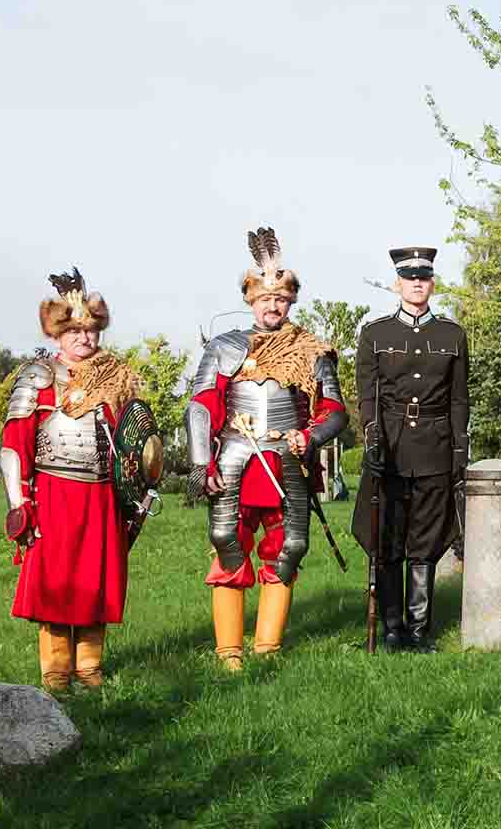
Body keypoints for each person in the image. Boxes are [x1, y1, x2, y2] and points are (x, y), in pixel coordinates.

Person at [188, 228, 347, 670]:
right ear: (251, 300)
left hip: (289, 460)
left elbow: (335, 411)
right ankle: (229, 653)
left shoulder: (313, 351)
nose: (273, 306)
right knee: (227, 542)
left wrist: (311, 435)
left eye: (281, 300)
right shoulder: (225, 347)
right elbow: (201, 407)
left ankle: (268, 648)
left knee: (289, 547)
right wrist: (202, 464)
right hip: (235, 460)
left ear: (290, 302)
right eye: (265, 299)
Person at [0, 269, 138, 692]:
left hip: (100, 496)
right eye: (75, 330)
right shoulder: (38, 378)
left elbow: (136, 440)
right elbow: (13, 445)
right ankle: (56, 670)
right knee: (57, 580)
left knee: (96, 579)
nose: (84, 338)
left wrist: (136, 488)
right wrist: (19, 502)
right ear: (59, 333)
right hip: (54, 495)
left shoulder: (117, 380)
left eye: (91, 329)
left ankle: (90, 668)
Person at [352, 245, 469, 653]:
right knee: (388, 540)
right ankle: (391, 628)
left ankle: (419, 632)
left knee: (425, 541)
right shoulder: (376, 333)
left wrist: (459, 449)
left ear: (432, 283)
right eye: (409, 277)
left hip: (435, 447)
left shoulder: (452, 335)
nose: (417, 283)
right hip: (391, 447)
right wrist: (372, 435)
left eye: (424, 277)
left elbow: (458, 399)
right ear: (396, 283)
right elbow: (366, 394)